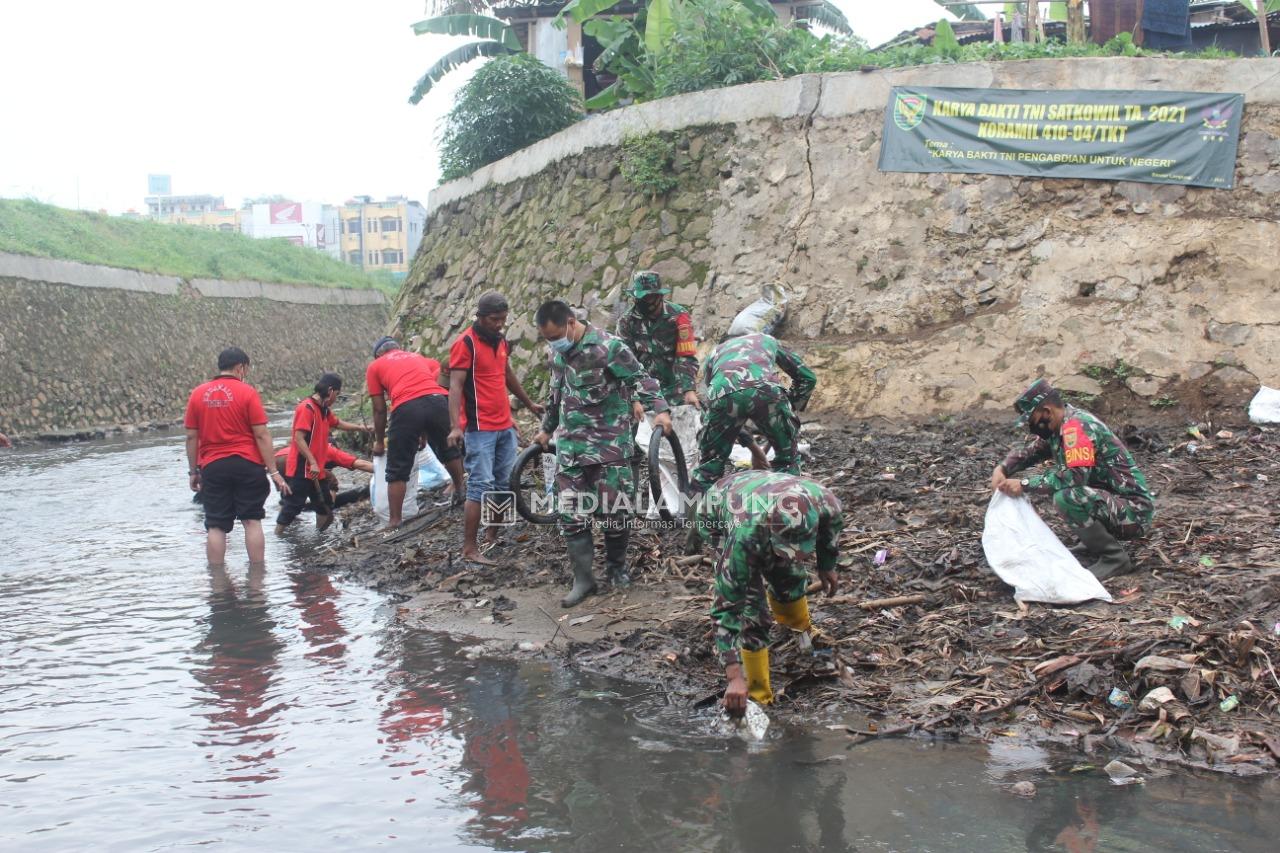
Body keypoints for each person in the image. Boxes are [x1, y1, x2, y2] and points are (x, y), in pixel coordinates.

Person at [530, 299, 673, 607]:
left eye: (556, 336)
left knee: (615, 513)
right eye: (547, 339)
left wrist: (660, 411)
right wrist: (546, 429)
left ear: (571, 323)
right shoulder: (557, 354)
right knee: (570, 515)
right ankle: (583, 580)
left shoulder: (609, 348)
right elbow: (555, 395)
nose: (553, 343)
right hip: (570, 451)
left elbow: (641, 378)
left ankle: (617, 569)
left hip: (609, 449)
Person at [695, 470, 843, 717]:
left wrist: (827, 565)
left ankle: (799, 633)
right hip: (718, 510)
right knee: (753, 610)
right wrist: (734, 677)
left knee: (789, 575)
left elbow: (832, 528)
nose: (789, 555)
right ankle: (758, 694)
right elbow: (726, 609)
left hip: (759, 492)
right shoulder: (744, 538)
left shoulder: (825, 502)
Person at [992, 378, 1155, 579]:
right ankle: (1093, 543)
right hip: (1114, 503)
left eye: (1032, 419)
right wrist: (1003, 467)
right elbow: (1032, 451)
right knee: (1064, 491)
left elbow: (1073, 477)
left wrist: (1025, 484)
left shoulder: (1077, 428)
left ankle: (1114, 558)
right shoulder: (1059, 427)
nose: (1030, 426)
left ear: (1047, 411)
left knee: (1067, 497)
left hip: (1134, 512)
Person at [447, 291, 544, 565]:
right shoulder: (465, 343)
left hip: (504, 426)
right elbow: (455, 386)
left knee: (505, 482)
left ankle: (492, 535)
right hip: (480, 428)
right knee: (480, 485)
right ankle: (469, 548)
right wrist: (455, 427)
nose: (499, 324)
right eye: (494, 319)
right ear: (480, 317)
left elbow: (507, 374)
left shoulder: (500, 341)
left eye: (503, 319)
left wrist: (529, 403)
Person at [616, 270, 710, 517]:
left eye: (650, 298)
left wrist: (688, 389)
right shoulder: (627, 322)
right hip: (640, 389)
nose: (646, 303)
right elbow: (625, 362)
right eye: (641, 298)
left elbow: (686, 356)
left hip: (674, 389)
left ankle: (686, 502)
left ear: (659, 296)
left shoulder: (678, 317)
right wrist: (635, 398)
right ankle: (630, 502)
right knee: (633, 447)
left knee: (682, 449)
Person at [184, 347, 290, 565]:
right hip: (248, 465)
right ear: (241, 367)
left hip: (213, 466)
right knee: (252, 520)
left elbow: (191, 437)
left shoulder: (197, 394)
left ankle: (217, 579)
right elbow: (261, 435)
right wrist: (274, 471)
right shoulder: (248, 393)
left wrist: (193, 471)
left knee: (215, 525)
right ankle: (257, 578)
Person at [688, 331, 817, 494]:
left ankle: (696, 508)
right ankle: (786, 504)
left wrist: (753, 449)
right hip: (766, 390)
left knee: (708, 468)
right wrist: (789, 407)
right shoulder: (766, 340)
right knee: (787, 461)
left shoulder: (715, 352)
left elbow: (723, 409)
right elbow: (808, 378)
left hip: (722, 394)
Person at [367, 336, 464, 529]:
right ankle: (461, 491)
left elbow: (379, 409)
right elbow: (425, 393)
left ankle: (395, 521)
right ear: (398, 347)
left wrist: (378, 441)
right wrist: (424, 433)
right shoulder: (417, 357)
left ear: (378, 355)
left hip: (406, 407)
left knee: (397, 467)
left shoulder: (375, 366)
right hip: (437, 400)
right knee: (449, 450)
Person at [274, 372, 371, 534]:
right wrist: (312, 462)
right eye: (337, 395)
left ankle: (319, 536)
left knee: (324, 505)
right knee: (293, 505)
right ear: (331, 391)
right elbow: (299, 438)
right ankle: (278, 537)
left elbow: (338, 423)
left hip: (315, 469)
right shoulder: (306, 408)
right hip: (302, 466)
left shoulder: (324, 409)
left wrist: (361, 428)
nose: (336, 399)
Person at [274, 440, 373, 514]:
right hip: (292, 461)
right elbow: (361, 464)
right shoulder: (332, 451)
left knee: (289, 493)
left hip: (277, 460)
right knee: (331, 480)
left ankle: (286, 517)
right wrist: (381, 471)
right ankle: (329, 508)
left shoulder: (311, 445)